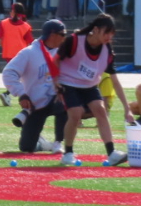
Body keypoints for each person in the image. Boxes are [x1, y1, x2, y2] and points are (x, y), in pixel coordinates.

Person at [55, 14, 133, 166]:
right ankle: (68, 153)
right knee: (75, 114)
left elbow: (115, 80)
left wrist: (127, 108)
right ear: (96, 30)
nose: (109, 37)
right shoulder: (74, 40)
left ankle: (111, 153)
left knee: (100, 110)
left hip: (89, 85)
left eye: (112, 33)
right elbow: (56, 59)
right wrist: (55, 81)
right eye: (106, 32)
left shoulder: (107, 50)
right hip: (68, 83)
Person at [1, 19, 68, 154]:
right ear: (52, 35)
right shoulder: (29, 53)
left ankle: (58, 142)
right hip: (35, 104)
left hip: (56, 98)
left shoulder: (64, 53)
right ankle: (42, 144)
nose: (64, 38)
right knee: (26, 147)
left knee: (66, 102)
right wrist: (21, 94)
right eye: (62, 34)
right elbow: (8, 73)